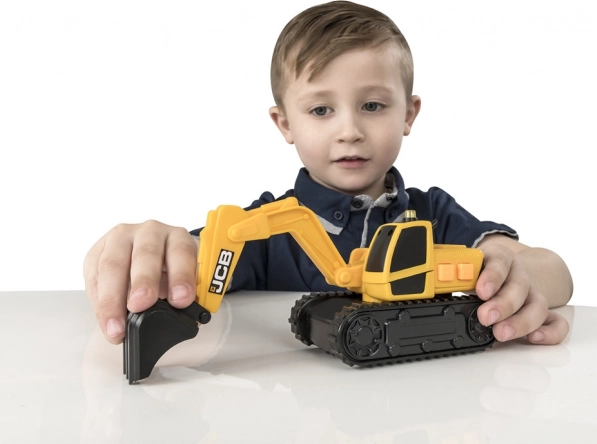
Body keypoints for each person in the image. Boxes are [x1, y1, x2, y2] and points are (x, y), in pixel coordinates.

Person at [83, 1, 572, 349]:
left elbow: (553, 271)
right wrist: (154, 256)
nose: (350, 131)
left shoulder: (433, 215)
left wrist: (515, 275)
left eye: (373, 105)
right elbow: (196, 260)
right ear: (285, 124)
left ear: (408, 114)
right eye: (321, 110)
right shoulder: (264, 231)